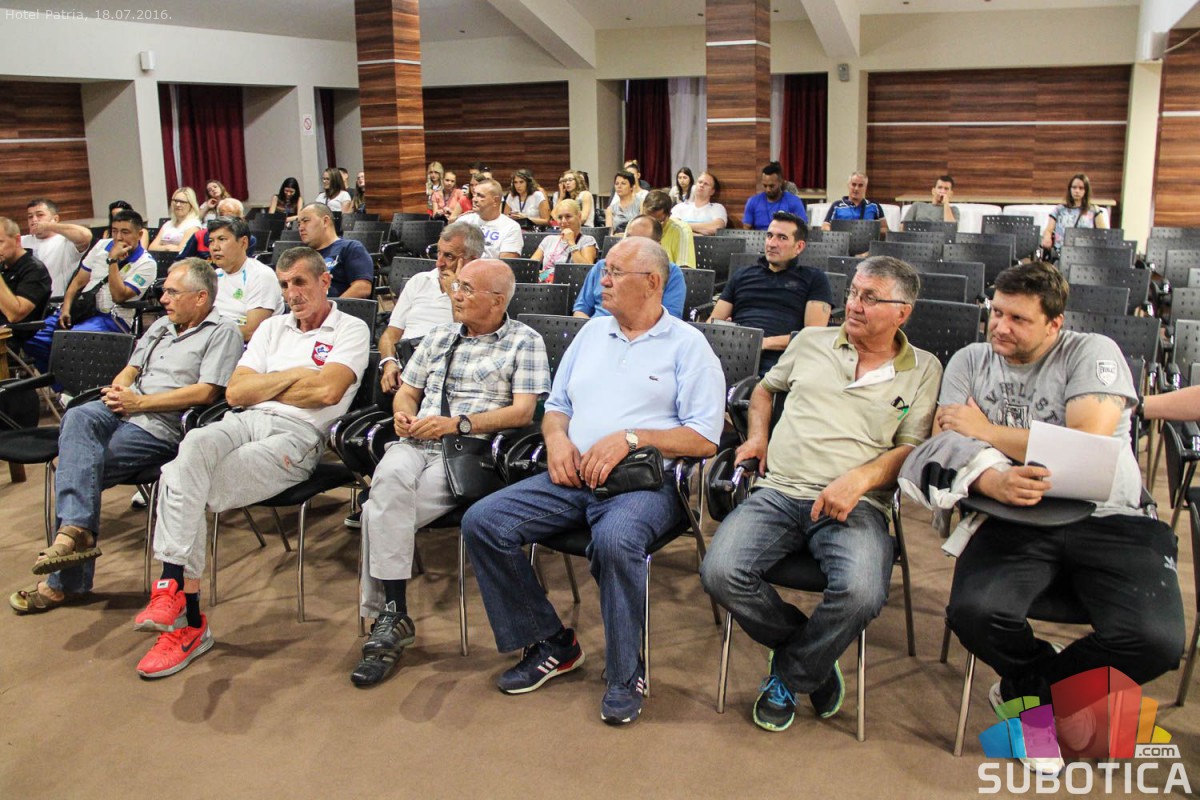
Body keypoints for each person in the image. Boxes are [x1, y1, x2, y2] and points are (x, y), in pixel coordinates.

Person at [928, 261, 1184, 775]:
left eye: (1018, 319)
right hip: (1012, 512)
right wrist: (991, 479)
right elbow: (946, 443)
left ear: (1054, 324)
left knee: (1155, 641)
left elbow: (1083, 445)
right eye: (996, 312)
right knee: (973, 613)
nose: (1000, 327)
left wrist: (987, 430)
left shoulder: (1092, 352)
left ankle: (1032, 697)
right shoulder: (971, 360)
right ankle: (1050, 686)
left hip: (1111, 516)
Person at [462, 237, 725, 725]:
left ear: (652, 282)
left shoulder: (688, 346)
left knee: (615, 539)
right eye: (604, 269)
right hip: (573, 472)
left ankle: (626, 673)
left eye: (615, 272)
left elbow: (705, 438)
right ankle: (551, 642)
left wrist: (632, 438)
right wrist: (556, 441)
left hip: (643, 484)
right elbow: (557, 406)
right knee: (484, 522)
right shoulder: (591, 335)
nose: (601, 280)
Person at [702, 256, 941, 733]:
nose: (853, 305)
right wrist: (757, 437)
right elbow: (764, 390)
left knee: (862, 592)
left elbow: (912, 447)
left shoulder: (924, 368)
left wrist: (861, 480)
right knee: (720, 573)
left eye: (870, 298)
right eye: (853, 292)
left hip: (856, 504)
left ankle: (790, 675)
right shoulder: (810, 342)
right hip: (779, 490)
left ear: (902, 312)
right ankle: (811, 657)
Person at [132, 246, 370, 679]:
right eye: (284, 285)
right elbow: (236, 393)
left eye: (300, 282)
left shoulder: (350, 329)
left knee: (179, 483)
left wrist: (268, 383)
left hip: (296, 437)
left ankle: (184, 614)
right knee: (194, 447)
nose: (291, 293)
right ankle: (174, 597)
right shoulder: (272, 328)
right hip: (243, 420)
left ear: (324, 282)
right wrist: (298, 375)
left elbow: (327, 393)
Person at [350, 259, 551, 687]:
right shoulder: (439, 336)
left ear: (497, 300)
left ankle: (388, 617)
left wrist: (457, 424)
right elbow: (407, 392)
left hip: (468, 454)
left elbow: (523, 412)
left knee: (377, 510)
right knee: (388, 483)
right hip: (415, 442)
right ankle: (393, 616)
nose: (455, 294)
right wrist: (403, 415)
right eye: (456, 286)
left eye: (467, 288)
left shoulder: (524, 341)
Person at [10, 259, 243, 614]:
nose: (162, 298)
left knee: (77, 465)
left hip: (164, 424)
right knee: (78, 415)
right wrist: (121, 388)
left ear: (200, 297)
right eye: (164, 290)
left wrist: (140, 403)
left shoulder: (222, 332)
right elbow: (131, 369)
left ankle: (65, 575)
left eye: (172, 292)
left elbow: (206, 393)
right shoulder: (162, 325)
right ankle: (76, 533)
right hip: (126, 407)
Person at [24, 209, 156, 373]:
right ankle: (61, 380)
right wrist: (66, 308)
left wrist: (113, 261)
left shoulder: (146, 264)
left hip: (112, 318)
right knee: (30, 339)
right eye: (114, 231)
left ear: (139, 234)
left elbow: (118, 296)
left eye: (125, 232)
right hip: (83, 309)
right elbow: (78, 281)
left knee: (70, 342)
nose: (118, 237)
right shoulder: (101, 245)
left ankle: (68, 379)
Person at [708, 211, 833, 374]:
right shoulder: (743, 275)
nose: (772, 244)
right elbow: (713, 323)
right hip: (732, 354)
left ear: (799, 246)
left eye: (782, 238)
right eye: (769, 236)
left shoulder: (814, 279)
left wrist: (763, 343)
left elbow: (813, 336)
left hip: (783, 360)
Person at [378, 222, 484, 394]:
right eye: (438, 252)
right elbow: (391, 333)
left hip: (446, 367)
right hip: (406, 361)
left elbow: (467, 337)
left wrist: (454, 292)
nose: (439, 263)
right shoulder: (419, 281)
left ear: (472, 260)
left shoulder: (482, 291)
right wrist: (389, 362)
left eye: (449, 256)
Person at [573, 215, 686, 319]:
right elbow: (580, 310)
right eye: (628, 238)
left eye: (640, 241)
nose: (630, 245)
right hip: (598, 329)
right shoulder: (602, 266)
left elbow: (671, 318)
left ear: (657, 246)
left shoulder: (670, 273)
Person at [207, 216, 283, 341]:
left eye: (222, 239)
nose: (215, 247)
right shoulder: (214, 275)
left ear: (243, 243)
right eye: (211, 241)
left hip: (243, 345)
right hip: (213, 339)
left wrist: (207, 335)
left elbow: (252, 332)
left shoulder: (260, 275)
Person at [297, 203, 374, 298]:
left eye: (306, 221)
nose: (301, 228)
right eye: (299, 224)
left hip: (336, 305)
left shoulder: (351, 248)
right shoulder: (301, 255)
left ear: (325, 221)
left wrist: (332, 306)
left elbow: (362, 288)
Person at [22, 198, 92, 297]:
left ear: (55, 219)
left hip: (54, 301)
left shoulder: (66, 242)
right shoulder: (21, 241)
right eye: (30, 216)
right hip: (25, 300)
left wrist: (48, 226)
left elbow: (86, 235)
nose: (34, 220)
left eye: (40, 215)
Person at [0, 216, 52, 348]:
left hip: (13, 339)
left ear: (17, 240)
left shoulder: (35, 270)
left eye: (0, 242)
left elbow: (14, 315)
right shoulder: (3, 266)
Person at [1042, 173, 1109, 256]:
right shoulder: (1059, 209)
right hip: (1061, 253)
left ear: (1086, 191)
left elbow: (1104, 234)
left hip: (1085, 254)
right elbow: (1048, 230)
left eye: (1081, 188)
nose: (1077, 191)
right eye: (1074, 187)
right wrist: (1047, 237)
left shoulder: (1094, 210)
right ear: (1070, 189)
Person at [531, 199, 597, 283]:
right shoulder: (548, 240)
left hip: (571, 285)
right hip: (545, 284)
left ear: (579, 217)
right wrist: (540, 273)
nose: (563, 221)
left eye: (568, 216)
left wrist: (571, 243)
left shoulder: (587, 240)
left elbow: (586, 271)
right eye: (560, 217)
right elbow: (531, 267)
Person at [457, 178, 522, 259]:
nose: (474, 199)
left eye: (480, 196)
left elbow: (505, 264)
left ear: (495, 201)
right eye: (474, 195)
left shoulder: (511, 227)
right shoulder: (463, 221)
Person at [822, 171, 888, 239]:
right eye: (853, 184)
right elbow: (825, 226)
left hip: (867, 244)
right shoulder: (836, 206)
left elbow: (885, 228)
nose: (856, 188)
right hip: (842, 243)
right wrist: (837, 235)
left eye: (860, 185)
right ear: (848, 185)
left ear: (865, 188)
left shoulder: (874, 206)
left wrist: (872, 232)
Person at [743, 163, 808, 230]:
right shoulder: (752, 202)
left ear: (781, 182)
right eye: (765, 186)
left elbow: (802, 227)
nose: (768, 190)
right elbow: (746, 228)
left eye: (772, 186)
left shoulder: (794, 201)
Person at [641, 190, 695, 268]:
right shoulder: (634, 225)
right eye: (647, 219)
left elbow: (685, 269)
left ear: (669, 215)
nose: (651, 225)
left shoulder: (682, 230)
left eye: (658, 222)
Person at [671, 172, 727, 236]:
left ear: (712, 191)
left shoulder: (717, 208)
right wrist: (696, 234)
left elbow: (717, 228)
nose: (701, 185)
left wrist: (683, 225)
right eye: (700, 182)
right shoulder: (680, 207)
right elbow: (671, 227)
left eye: (706, 184)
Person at [148, 188, 203, 252]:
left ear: (191, 205)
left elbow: (181, 250)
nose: (178, 204)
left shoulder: (194, 225)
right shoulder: (167, 224)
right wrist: (167, 248)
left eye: (182, 202)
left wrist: (161, 246)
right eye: (176, 201)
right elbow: (151, 248)